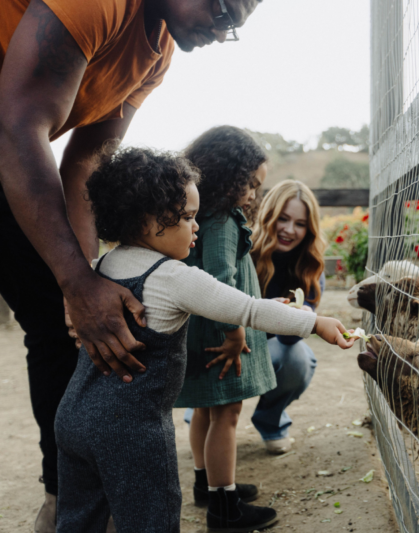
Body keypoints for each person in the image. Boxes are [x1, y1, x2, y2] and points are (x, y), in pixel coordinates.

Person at [0, 1, 261, 530]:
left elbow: (86, 164)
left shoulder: (159, 53)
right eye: (221, 7)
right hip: (9, 138)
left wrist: (92, 272)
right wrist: (75, 280)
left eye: (235, 23)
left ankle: (67, 495)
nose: (223, 28)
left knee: (67, 324)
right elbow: (18, 123)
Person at [54, 146, 355, 533]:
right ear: (149, 221)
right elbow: (247, 310)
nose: (197, 227)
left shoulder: (100, 267)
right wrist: (314, 323)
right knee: (151, 521)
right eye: (188, 217)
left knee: (80, 521)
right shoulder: (175, 277)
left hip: (73, 416)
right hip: (132, 429)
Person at [174, 127, 282, 528]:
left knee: (206, 408)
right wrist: (235, 333)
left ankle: (207, 483)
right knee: (228, 413)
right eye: (250, 184)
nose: (253, 194)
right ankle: (225, 506)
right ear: (227, 174)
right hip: (222, 332)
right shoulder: (221, 219)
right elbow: (220, 278)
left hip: (205, 329)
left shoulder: (206, 214)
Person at [250, 180, 328, 453]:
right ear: (269, 215)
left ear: (309, 228)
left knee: (299, 359)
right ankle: (205, 406)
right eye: (283, 219)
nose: (289, 230)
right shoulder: (245, 253)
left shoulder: (311, 267)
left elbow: (289, 340)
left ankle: (271, 422)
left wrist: (300, 318)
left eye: (300, 223)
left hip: (274, 349)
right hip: (235, 341)